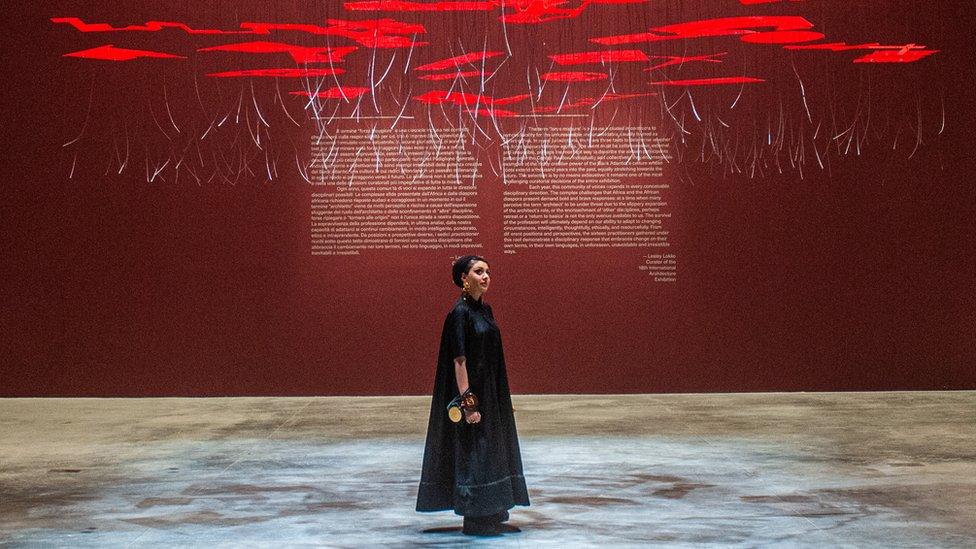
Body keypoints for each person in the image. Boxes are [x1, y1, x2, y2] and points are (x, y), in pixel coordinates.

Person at [416, 255, 530, 536]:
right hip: (473, 395)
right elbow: (459, 361)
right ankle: (475, 518)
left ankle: (493, 510)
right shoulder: (459, 314)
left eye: (488, 271)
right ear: (464, 279)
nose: (486, 276)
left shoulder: (485, 311)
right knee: (475, 451)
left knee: (492, 449)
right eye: (479, 272)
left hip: (491, 394)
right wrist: (468, 403)